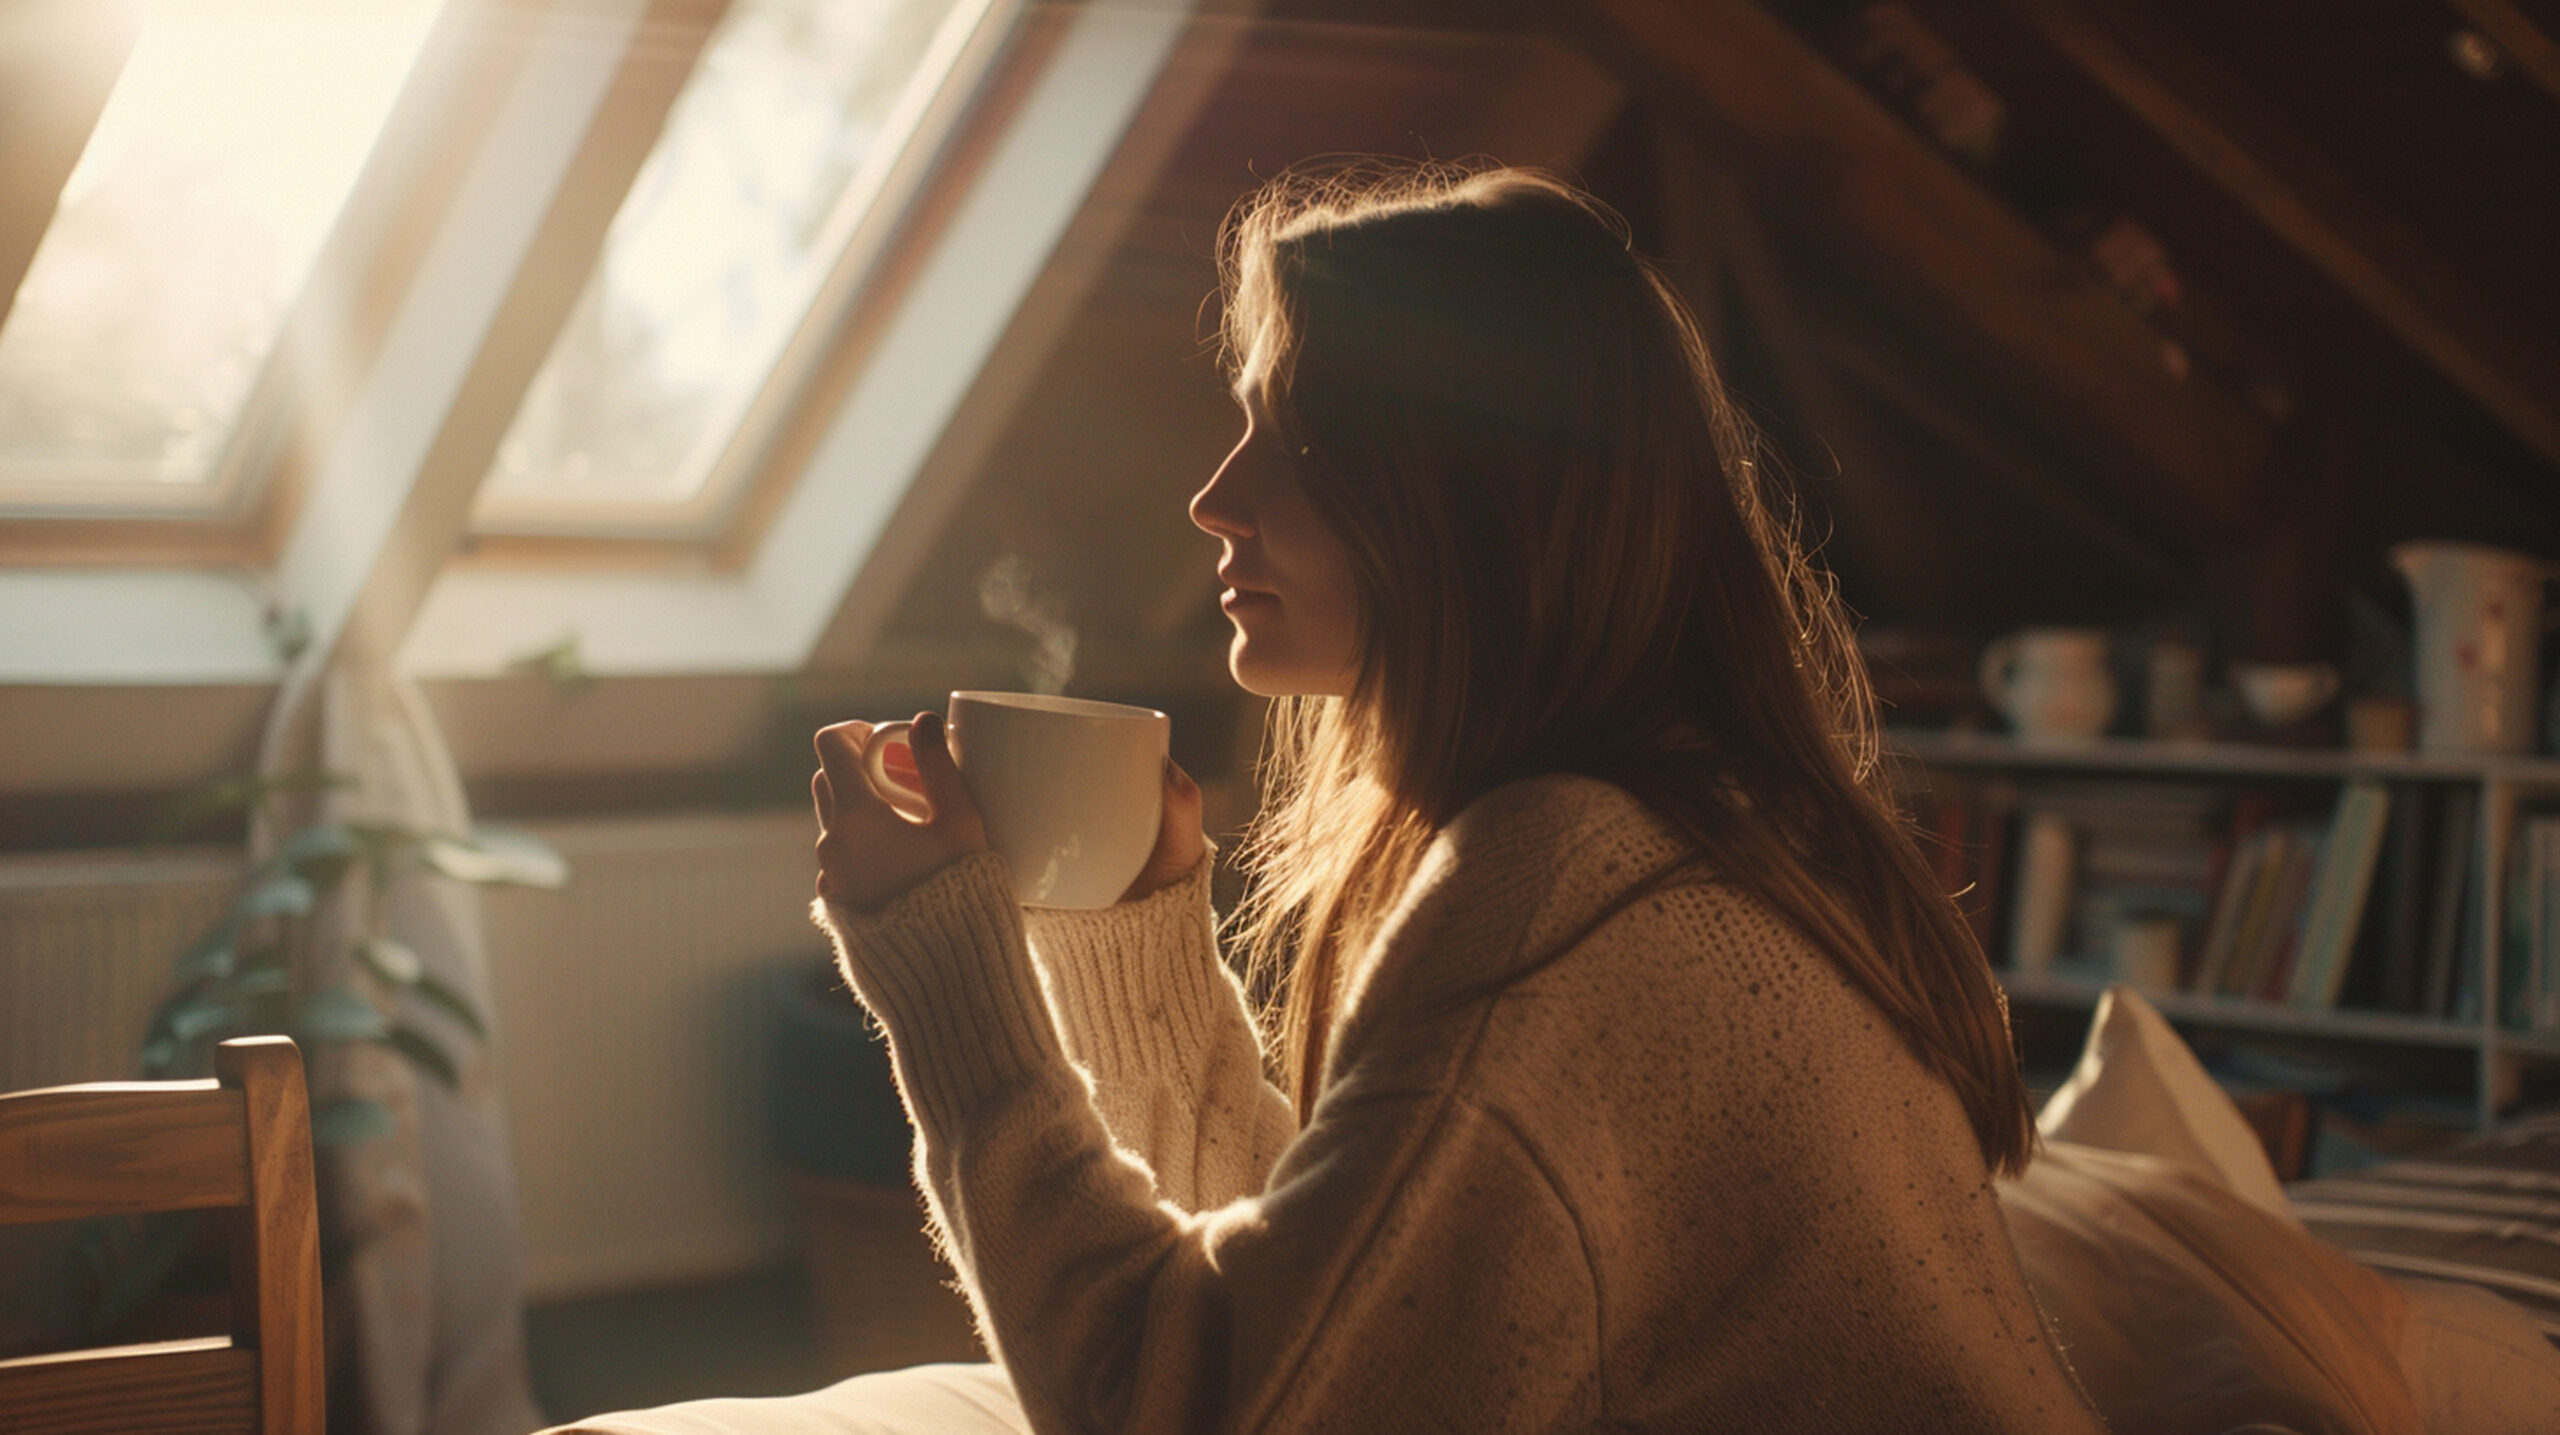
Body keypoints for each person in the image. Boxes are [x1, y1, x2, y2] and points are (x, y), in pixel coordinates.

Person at [553, 161, 2106, 1433]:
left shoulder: (1577, 890)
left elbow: (1215, 1410)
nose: (1212, 497)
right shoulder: (1674, 829)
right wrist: (1140, 945)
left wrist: (947, 973)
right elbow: (1362, 1309)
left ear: (1463, 495)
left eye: (1288, 434)